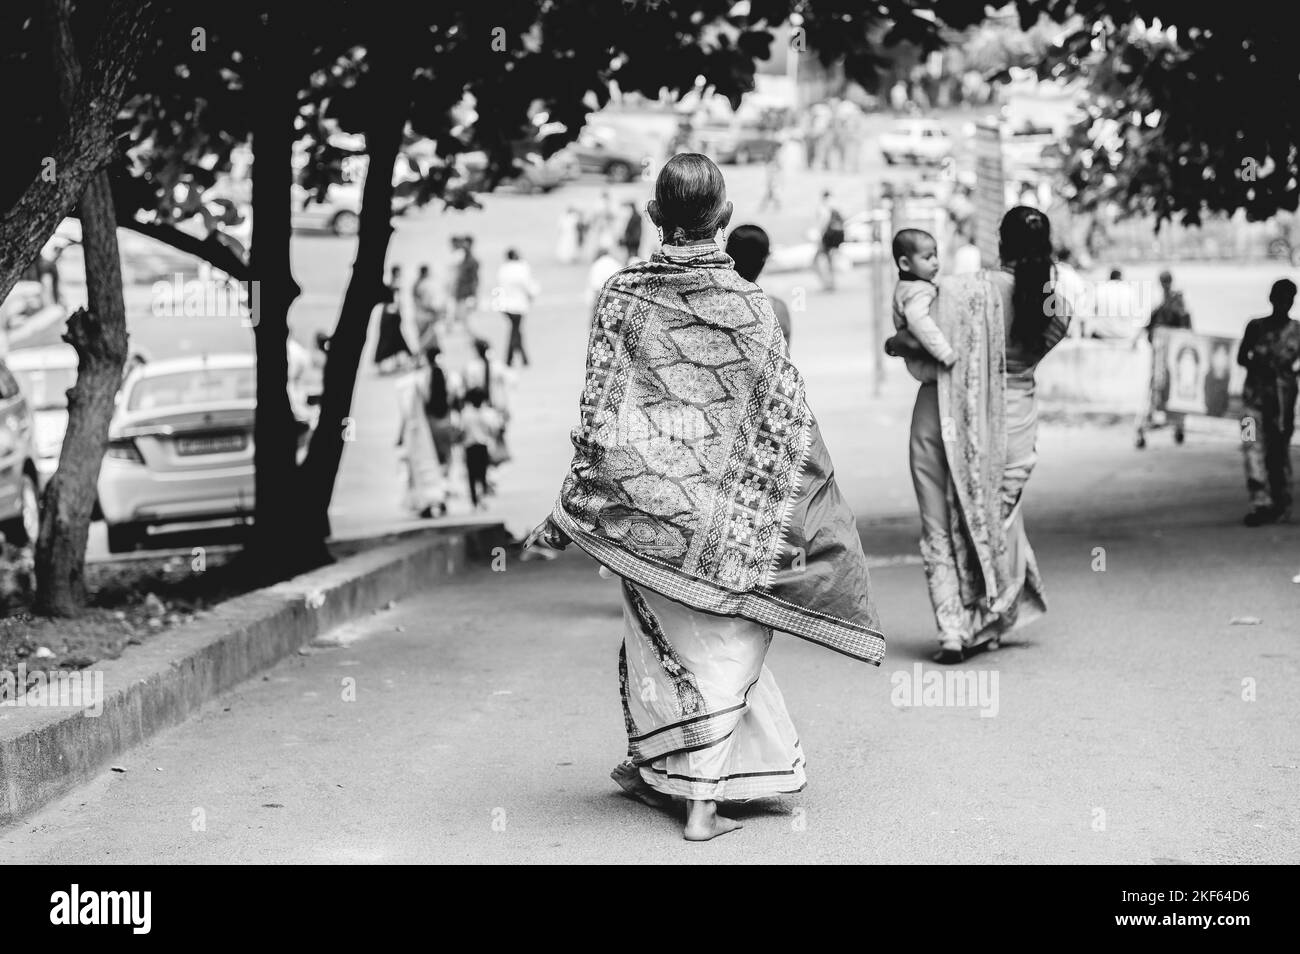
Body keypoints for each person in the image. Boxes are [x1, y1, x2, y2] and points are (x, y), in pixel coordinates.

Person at [523, 154, 884, 841]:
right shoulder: (750, 306)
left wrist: (573, 507)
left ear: (656, 215)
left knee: (657, 642)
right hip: (727, 523)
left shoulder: (622, 295)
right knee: (724, 645)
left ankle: (652, 765)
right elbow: (784, 419)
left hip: (643, 515)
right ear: (722, 216)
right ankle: (701, 805)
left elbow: (600, 415)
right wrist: (813, 514)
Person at [889, 206, 1071, 663]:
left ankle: (952, 626)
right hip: (1013, 426)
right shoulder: (1055, 307)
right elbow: (1034, 351)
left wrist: (899, 344)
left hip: (945, 412)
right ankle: (988, 616)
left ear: (1000, 243)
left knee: (938, 524)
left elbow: (913, 336)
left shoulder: (961, 290)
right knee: (995, 522)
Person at [1237, 279, 1300, 526]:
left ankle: (1280, 501)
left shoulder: (1296, 331)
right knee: (1251, 446)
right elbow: (1242, 357)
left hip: (1282, 405)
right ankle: (1260, 502)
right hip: (1252, 402)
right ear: (1271, 299)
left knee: (1278, 451)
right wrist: (1261, 367)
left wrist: (1288, 373)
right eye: (1280, 298)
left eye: (1289, 299)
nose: (1284, 304)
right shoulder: (1256, 327)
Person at [886, 229, 956, 379]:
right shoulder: (916, 292)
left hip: (922, 359)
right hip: (926, 363)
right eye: (927, 257)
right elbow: (919, 321)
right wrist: (944, 352)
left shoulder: (910, 285)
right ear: (905, 263)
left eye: (935, 255)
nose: (935, 262)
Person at [1136, 269, 1193, 447]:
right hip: (1162, 357)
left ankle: (1175, 424)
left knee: (1167, 388)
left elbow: (1185, 328)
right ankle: (1157, 421)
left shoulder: (1175, 303)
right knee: (1158, 388)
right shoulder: (1163, 304)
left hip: (1171, 358)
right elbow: (1150, 328)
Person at [395, 364, 448, 519]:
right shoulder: (418, 382)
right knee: (427, 466)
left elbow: (405, 414)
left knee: (419, 468)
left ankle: (427, 501)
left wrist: (399, 436)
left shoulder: (406, 385)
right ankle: (430, 500)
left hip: (416, 432)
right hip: (422, 430)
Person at [725, 224, 791, 346]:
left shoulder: (709, 301)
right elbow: (783, 359)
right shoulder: (775, 308)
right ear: (765, 258)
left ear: (727, 254)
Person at [495, 248, 540, 368]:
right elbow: (529, 286)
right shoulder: (522, 268)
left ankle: (523, 358)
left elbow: (499, 286)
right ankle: (511, 359)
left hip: (504, 305)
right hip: (518, 305)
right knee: (515, 331)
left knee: (515, 330)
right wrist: (533, 296)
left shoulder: (503, 269)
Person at [459, 386, 501, 511]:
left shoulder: (465, 414)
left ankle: (474, 501)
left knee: (471, 475)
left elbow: (461, 430)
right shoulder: (487, 414)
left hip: (469, 447)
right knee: (482, 473)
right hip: (483, 447)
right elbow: (493, 429)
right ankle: (482, 497)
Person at [423, 345, 459, 481]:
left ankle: (440, 479)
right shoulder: (447, 375)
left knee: (435, 452)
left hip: (431, 419)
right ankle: (446, 478)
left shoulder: (424, 376)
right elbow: (454, 393)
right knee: (447, 451)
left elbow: (424, 397)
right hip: (446, 417)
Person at [374, 265, 412, 374]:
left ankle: (397, 361)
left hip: (390, 316)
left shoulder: (392, 284)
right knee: (388, 341)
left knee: (394, 341)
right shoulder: (395, 285)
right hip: (391, 317)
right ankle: (392, 362)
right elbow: (395, 303)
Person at [1090, 267, 1137, 339]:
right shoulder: (1130, 289)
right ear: (1121, 278)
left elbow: (1093, 311)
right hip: (1125, 333)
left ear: (1110, 278)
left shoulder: (1100, 288)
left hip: (1103, 333)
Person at [813, 190, 844, 291]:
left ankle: (828, 283)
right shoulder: (835, 206)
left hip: (826, 237)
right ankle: (831, 283)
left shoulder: (823, 208)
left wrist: (820, 238)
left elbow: (823, 223)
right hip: (834, 238)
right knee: (830, 261)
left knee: (816, 261)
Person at [411, 264, 446, 352]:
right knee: (427, 337)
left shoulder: (417, 284)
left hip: (421, 315)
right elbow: (424, 303)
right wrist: (435, 310)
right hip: (425, 315)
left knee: (428, 336)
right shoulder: (422, 285)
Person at [450, 235, 480, 333]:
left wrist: (474, 293)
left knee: (466, 316)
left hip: (466, 292)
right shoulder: (462, 261)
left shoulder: (471, 262)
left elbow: (474, 279)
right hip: (461, 292)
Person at [585, 244, 623, 314]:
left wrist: (594, 307)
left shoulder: (597, 265)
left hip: (604, 296)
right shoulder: (615, 263)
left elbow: (596, 287)